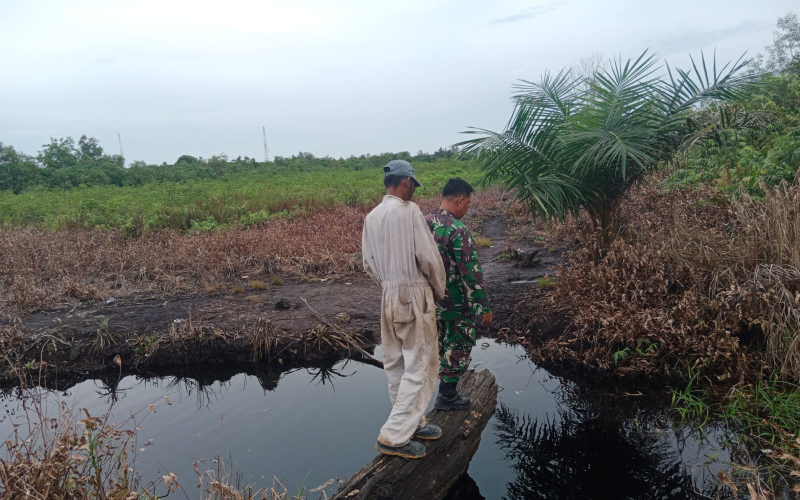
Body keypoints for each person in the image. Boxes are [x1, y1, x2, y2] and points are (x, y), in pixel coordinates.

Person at [361, 159, 447, 459]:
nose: (413, 192)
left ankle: (413, 423)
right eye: (412, 186)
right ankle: (394, 435)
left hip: (388, 295)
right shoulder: (409, 211)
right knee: (420, 366)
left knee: (396, 363)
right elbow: (429, 258)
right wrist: (437, 291)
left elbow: (367, 264)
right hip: (414, 294)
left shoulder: (371, 217)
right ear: (406, 182)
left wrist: (389, 287)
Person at [426, 178, 492, 410]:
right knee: (459, 343)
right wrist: (483, 306)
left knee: (441, 343)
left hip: (430, 302)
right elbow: (471, 272)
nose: (467, 208)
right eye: (468, 203)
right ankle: (447, 396)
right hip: (455, 303)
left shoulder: (422, 224)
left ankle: (439, 390)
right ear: (460, 200)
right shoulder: (458, 230)